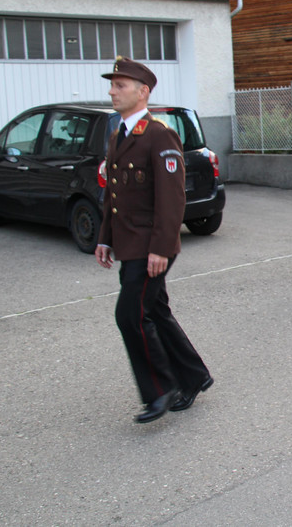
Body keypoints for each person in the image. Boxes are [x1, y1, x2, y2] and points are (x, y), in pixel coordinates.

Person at [95, 57, 212, 424]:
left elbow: (172, 198)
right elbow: (113, 195)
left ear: (143, 92)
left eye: (120, 85)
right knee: (155, 310)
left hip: (151, 246)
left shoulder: (159, 135)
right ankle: (194, 375)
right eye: (112, 85)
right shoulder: (118, 135)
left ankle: (160, 389)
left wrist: (161, 247)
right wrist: (105, 238)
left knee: (130, 314)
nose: (112, 91)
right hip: (129, 243)